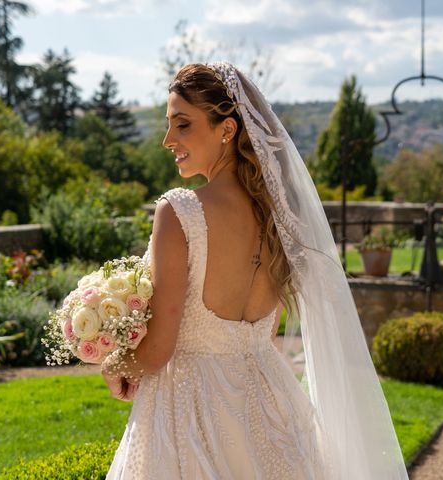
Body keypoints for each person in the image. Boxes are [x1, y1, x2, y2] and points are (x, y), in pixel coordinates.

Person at [102, 62, 409, 479]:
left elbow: (159, 349)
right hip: (269, 398)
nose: (167, 139)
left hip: (189, 409)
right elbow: (266, 331)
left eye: (182, 124)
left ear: (227, 129)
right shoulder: (280, 218)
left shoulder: (178, 211)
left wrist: (118, 364)